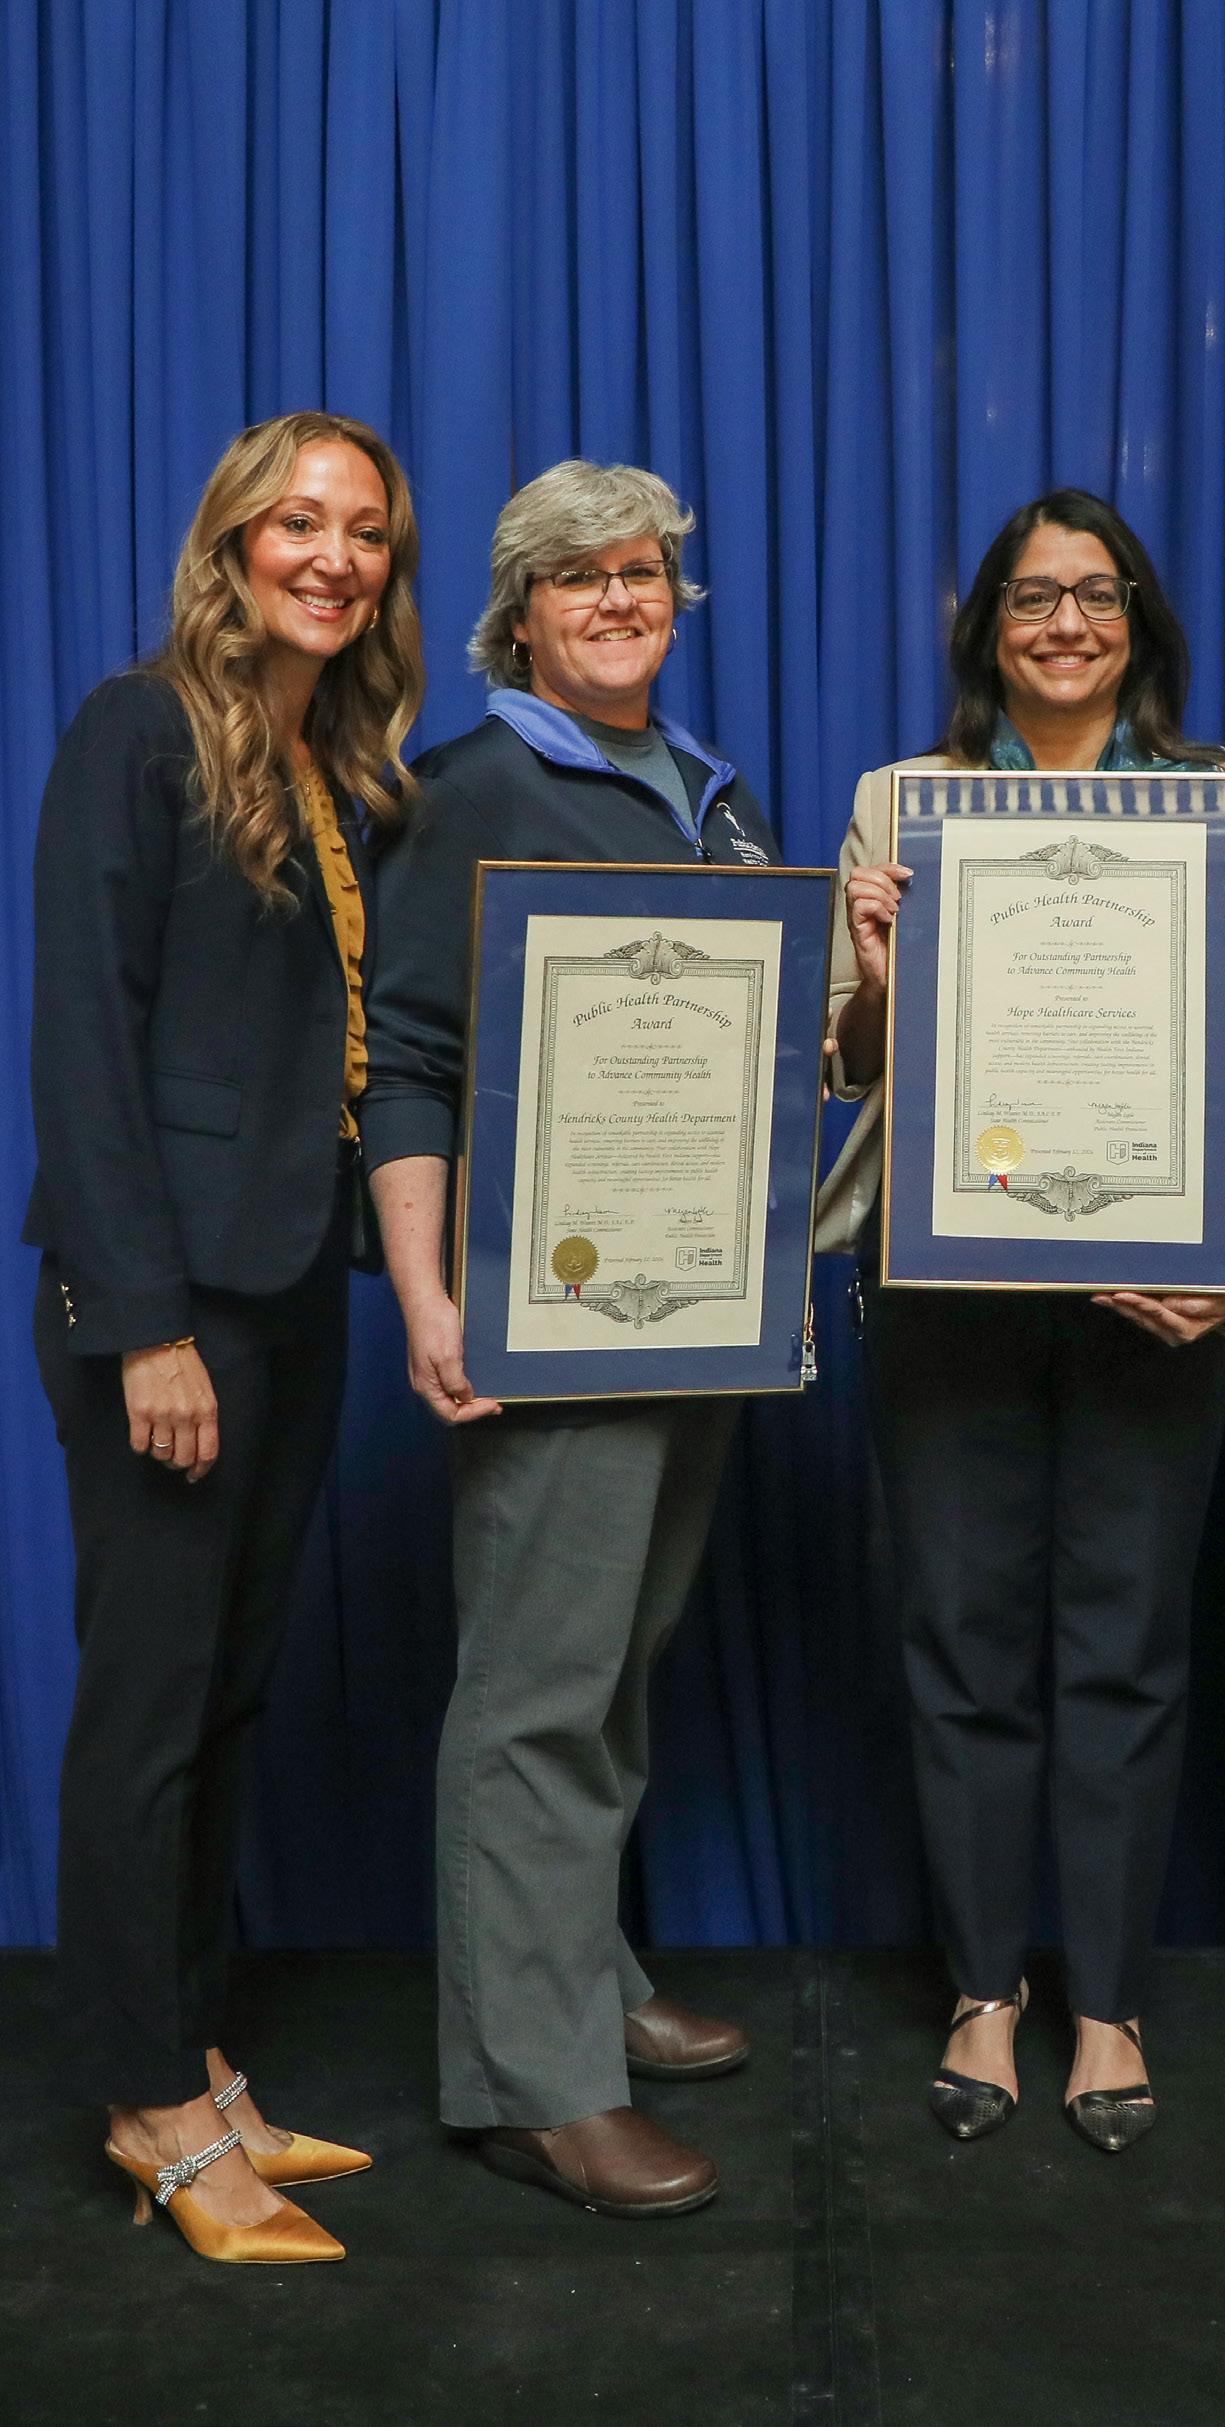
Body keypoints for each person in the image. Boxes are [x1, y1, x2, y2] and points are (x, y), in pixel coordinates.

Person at [817, 488, 1225, 2152]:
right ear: (988, 628)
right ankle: (981, 1990)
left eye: (1096, 595)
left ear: (1137, 620)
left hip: (1154, 1291)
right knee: (959, 1640)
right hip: (945, 1286)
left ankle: (1105, 2001)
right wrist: (879, 974)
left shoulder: (1222, 803)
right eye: (1032, 597)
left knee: (1124, 1647)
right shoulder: (904, 801)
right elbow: (850, 1063)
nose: (1065, 624)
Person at [27, 410, 424, 2261]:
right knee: (147, 1713)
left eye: (367, 531)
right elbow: (82, 1048)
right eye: (301, 522)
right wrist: (145, 1328)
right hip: (167, 1309)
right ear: (233, 543)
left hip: (287, 1291)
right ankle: (149, 2109)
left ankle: (189, 2048)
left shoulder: (339, 764)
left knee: (227, 1695)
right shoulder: (137, 731)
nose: (334, 557)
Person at [364, 460, 776, 2218]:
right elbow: (407, 1058)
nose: (620, 600)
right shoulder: (464, 789)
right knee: (537, 1689)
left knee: (612, 1670)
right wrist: (427, 1296)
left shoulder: (710, 796)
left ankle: (581, 1973)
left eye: (645, 573)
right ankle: (534, 2083)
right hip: (549, 1314)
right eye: (579, 576)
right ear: (519, 611)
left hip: (700, 1307)